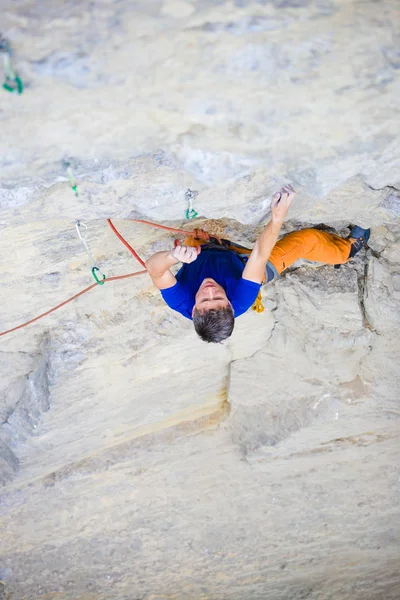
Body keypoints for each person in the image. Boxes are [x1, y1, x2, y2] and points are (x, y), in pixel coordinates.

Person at [145, 185, 370, 343]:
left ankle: (208, 244)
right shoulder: (242, 298)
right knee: (305, 241)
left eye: (205, 299)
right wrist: (277, 216)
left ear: (194, 309)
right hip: (246, 266)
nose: (211, 291)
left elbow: (154, 269)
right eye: (219, 298)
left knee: (195, 241)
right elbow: (260, 254)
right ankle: (347, 250)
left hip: (202, 252)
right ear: (231, 306)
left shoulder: (181, 301)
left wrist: (173, 257)